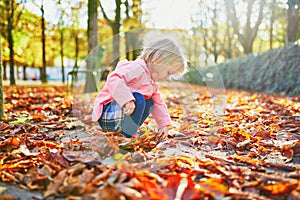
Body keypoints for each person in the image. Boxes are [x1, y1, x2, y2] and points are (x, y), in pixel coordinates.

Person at [92, 38, 187, 139]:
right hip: (107, 114)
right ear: (158, 60)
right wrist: (127, 99)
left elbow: (159, 104)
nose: (168, 78)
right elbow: (113, 79)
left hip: (120, 115)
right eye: (168, 72)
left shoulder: (152, 83)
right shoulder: (136, 68)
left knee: (151, 102)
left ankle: (129, 132)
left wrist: (164, 125)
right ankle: (128, 134)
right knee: (139, 99)